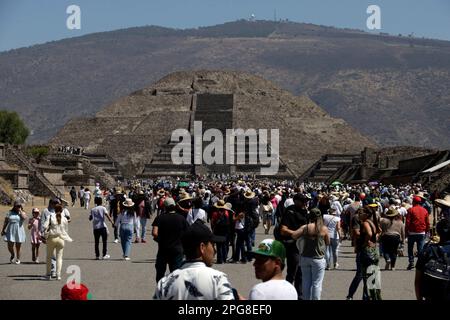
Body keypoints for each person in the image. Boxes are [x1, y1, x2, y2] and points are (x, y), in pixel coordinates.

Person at [153, 220, 235, 300]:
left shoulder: (164, 283)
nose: (215, 250)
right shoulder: (217, 280)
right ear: (202, 247)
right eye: (212, 245)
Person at [292, 208, 329, 300]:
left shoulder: (305, 227)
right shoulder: (324, 228)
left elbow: (294, 235)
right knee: (317, 283)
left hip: (305, 257)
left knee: (306, 282)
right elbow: (327, 242)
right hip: (318, 258)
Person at [279, 193, 309, 299]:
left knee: (301, 272)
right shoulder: (290, 212)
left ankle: (299, 295)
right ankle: (287, 294)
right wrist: (296, 233)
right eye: (303, 201)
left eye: (305, 201)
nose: (305, 202)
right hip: (292, 245)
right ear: (296, 201)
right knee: (292, 271)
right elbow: (283, 230)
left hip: (302, 246)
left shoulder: (305, 211)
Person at [152, 197, 188, 282]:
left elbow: (154, 232)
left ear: (165, 207)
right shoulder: (181, 218)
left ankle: (160, 290)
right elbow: (187, 232)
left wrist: (159, 239)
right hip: (177, 248)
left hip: (163, 248)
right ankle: (174, 291)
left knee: (160, 272)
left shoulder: (160, 218)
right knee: (176, 273)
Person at [415, 218, 450, 300]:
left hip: (431, 295)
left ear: (437, 232)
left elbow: (417, 280)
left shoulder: (427, 250)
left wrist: (419, 298)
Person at [358, 206, 382, 300]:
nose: (359, 215)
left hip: (367, 252)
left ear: (366, 214)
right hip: (374, 251)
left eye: (361, 213)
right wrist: (374, 240)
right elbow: (379, 231)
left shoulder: (365, 223)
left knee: (368, 278)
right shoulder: (372, 222)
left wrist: (365, 242)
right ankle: (376, 297)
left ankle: (371, 297)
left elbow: (369, 233)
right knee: (374, 277)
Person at [43, 204, 72, 280]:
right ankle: (58, 275)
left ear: (54, 209)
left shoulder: (50, 216)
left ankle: (48, 274)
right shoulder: (64, 219)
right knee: (59, 258)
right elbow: (66, 230)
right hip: (61, 239)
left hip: (51, 238)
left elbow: (44, 226)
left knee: (49, 257)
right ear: (62, 210)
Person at [405, 196, 430, 270]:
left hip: (412, 232)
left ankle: (411, 262)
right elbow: (427, 222)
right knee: (420, 249)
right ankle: (420, 263)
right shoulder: (425, 210)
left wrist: (406, 232)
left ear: (414, 202)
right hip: (421, 232)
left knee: (410, 248)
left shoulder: (410, 210)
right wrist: (427, 231)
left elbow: (407, 222)